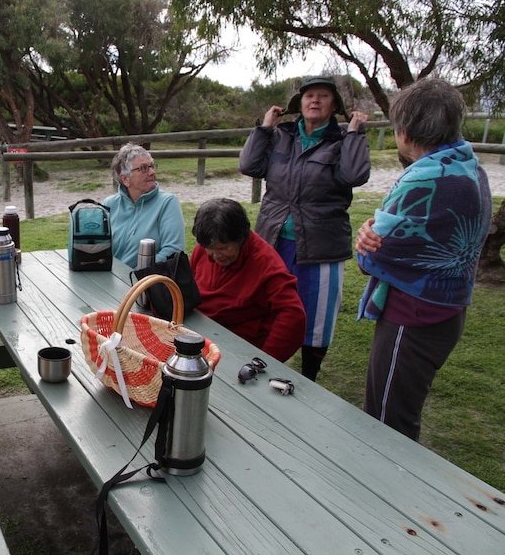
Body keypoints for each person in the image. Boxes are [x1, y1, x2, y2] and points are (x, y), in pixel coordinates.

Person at [356, 78, 492, 441]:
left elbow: (372, 257)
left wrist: (368, 234)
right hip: (447, 309)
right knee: (402, 413)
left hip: (412, 317)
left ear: (406, 130)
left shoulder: (427, 179)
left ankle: (386, 494)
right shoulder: (468, 167)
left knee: (387, 424)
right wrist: (374, 228)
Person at [239, 75, 371, 381]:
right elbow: (249, 165)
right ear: (299, 103)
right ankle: (263, 363)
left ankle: (309, 374)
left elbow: (354, 175)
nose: (314, 100)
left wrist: (353, 135)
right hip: (274, 239)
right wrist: (264, 128)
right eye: (309, 95)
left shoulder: (341, 141)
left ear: (334, 105)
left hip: (320, 242)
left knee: (317, 313)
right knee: (268, 304)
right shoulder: (282, 135)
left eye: (323, 96)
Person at [190, 198, 306, 362]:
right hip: (200, 334)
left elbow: (294, 316)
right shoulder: (204, 249)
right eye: (210, 249)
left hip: (239, 348)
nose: (216, 256)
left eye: (223, 249)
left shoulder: (266, 264)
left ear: (241, 239)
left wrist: (264, 361)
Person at [103, 142, 185, 268]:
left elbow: (173, 250)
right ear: (125, 179)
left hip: (144, 282)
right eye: (143, 168)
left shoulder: (167, 203)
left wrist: (135, 276)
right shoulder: (109, 204)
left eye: (152, 166)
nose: (152, 172)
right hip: (108, 279)